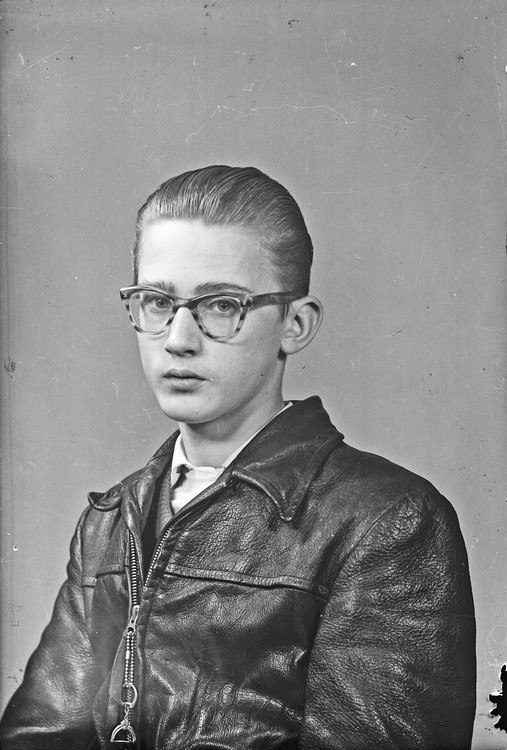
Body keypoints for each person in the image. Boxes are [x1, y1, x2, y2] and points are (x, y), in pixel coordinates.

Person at [0, 165, 476, 749]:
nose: (178, 339)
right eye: (157, 302)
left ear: (295, 324)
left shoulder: (386, 520)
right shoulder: (110, 519)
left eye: (222, 304)